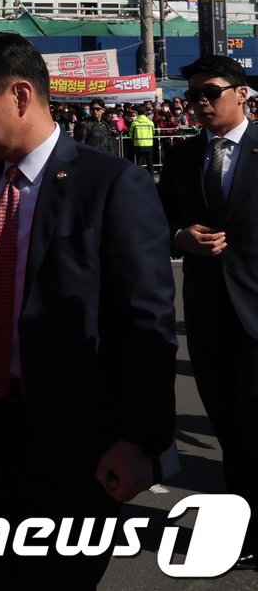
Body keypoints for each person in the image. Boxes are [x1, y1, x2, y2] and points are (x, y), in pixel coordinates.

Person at [0, 33, 176, 590]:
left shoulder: (111, 183)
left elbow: (146, 321)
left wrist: (139, 439)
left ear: (20, 95)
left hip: (76, 442)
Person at [158, 55, 258, 564]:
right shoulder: (181, 157)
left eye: (209, 92)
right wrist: (181, 237)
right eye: (192, 94)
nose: (198, 103)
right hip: (208, 314)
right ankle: (244, 529)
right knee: (230, 430)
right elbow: (159, 220)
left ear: (242, 94)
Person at [129, 106, 156, 172]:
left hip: (138, 145)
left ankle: (139, 178)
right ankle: (151, 177)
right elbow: (153, 133)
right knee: (150, 162)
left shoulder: (134, 123)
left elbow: (130, 134)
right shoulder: (150, 123)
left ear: (138, 113)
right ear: (145, 113)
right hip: (149, 145)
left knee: (139, 163)